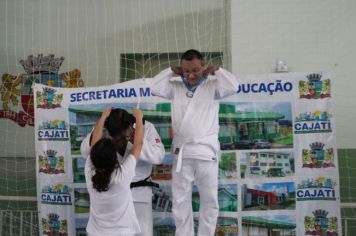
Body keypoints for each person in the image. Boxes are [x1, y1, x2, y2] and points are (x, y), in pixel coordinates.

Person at [150, 49, 239, 236]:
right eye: (186, 71)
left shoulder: (213, 86)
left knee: (210, 200)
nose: (190, 75)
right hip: (182, 153)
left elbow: (234, 86)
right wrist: (170, 71)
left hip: (206, 153)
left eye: (196, 70)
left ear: (203, 66)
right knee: (180, 201)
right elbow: (154, 87)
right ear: (181, 69)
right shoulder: (175, 86)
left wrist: (218, 70)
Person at [81, 107, 165, 236]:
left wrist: (133, 135)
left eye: (122, 136)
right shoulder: (104, 128)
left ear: (131, 126)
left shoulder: (146, 128)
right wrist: (136, 137)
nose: (120, 140)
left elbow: (159, 156)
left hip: (139, 195)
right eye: (117, 137)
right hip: (112, 193)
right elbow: (85, 151)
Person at [85, 107, 144, 235]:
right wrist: (139, 118)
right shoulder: (121, 176)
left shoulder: (89, 172)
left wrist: (102, 118)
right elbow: (138, 144)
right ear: (115, 159)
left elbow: (94, 144)